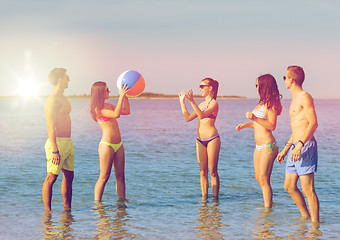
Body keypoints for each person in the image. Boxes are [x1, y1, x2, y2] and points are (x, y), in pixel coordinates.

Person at [277, 66, 319, 223]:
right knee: (289, 186)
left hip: (305, 146)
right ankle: (305, 218)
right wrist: (286, 148)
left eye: (285, 77)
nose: (285, 80)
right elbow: (297, 128)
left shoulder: (305, 97)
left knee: (308, 190)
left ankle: (315, 227)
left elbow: (313, 124)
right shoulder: (295, 99)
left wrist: (301, 144)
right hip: (295, 147)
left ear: (292, 80)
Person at [236, 74, 282, 208]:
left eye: (257, 85)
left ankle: (268, 209)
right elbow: (260, 124)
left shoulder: (271, 104)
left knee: (263, 177)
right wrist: (246, 124)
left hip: (269, 146)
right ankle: (268, 204)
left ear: (264, 86)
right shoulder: (261, 103)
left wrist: (254, 118)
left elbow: (272, 125)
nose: (256, 88)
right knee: (258, 177)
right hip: (259, 146)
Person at [179, 78, 221, 200]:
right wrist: (182, 102)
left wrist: (192, 101)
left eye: (202, 86)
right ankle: (204, 200)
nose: (200, 88)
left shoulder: (213, 103)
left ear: (210, 88)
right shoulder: (201, 104)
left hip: (212, 139)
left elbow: (202, 115)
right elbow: (187, 118)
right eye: (200, 86)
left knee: (212, 171)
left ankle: (215, 201)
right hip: (199, 140)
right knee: (203, 172)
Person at [90, 81, 130, 201]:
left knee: (120, 177)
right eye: (107, 90)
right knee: (104, 176)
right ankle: (98, 205)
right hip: (107, 146)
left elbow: (126, 111)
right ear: (100, 92)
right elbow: (116, 114)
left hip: (119, 145)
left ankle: (121, 205)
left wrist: (125, 96)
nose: (109, 91)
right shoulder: (98, 110)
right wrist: (121, 96)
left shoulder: (108, 105)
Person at [42, 68, 74, 212]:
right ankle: (47, 214)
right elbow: (50, 126)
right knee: (51, 177)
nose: (69, 79)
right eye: (66, 77)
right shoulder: (52, 100)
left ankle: (67, 211)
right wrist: (55, 150)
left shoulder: (64, 97)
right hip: (57, 143)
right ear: (59, 79)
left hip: (68, 142)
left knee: (69, 175)